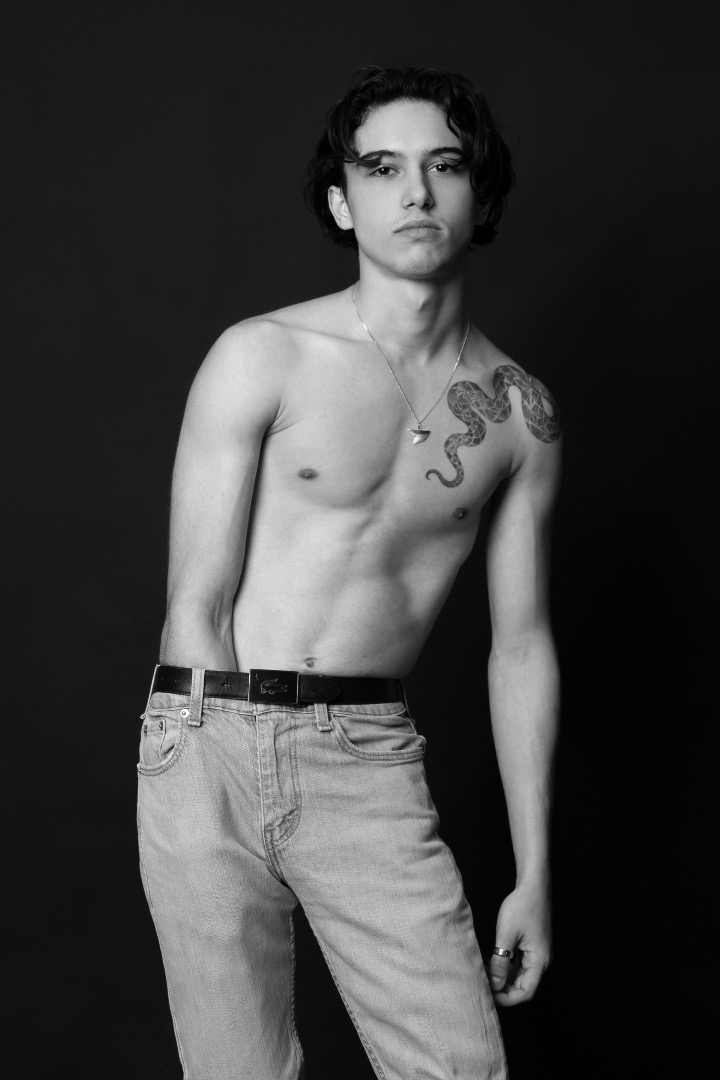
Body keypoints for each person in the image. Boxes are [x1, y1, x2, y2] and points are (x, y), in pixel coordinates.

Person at [137, 65, 562, 1080]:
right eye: (381, 168)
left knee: (459, 1067)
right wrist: (205, 754)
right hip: (208, 730)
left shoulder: (520, 415)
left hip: (365, 753)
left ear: (481, 196)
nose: (415, 192)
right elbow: (195, 597)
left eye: (444, 166)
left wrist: (535, 870)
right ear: (342, 201)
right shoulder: (263, 355)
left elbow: (521, 646)